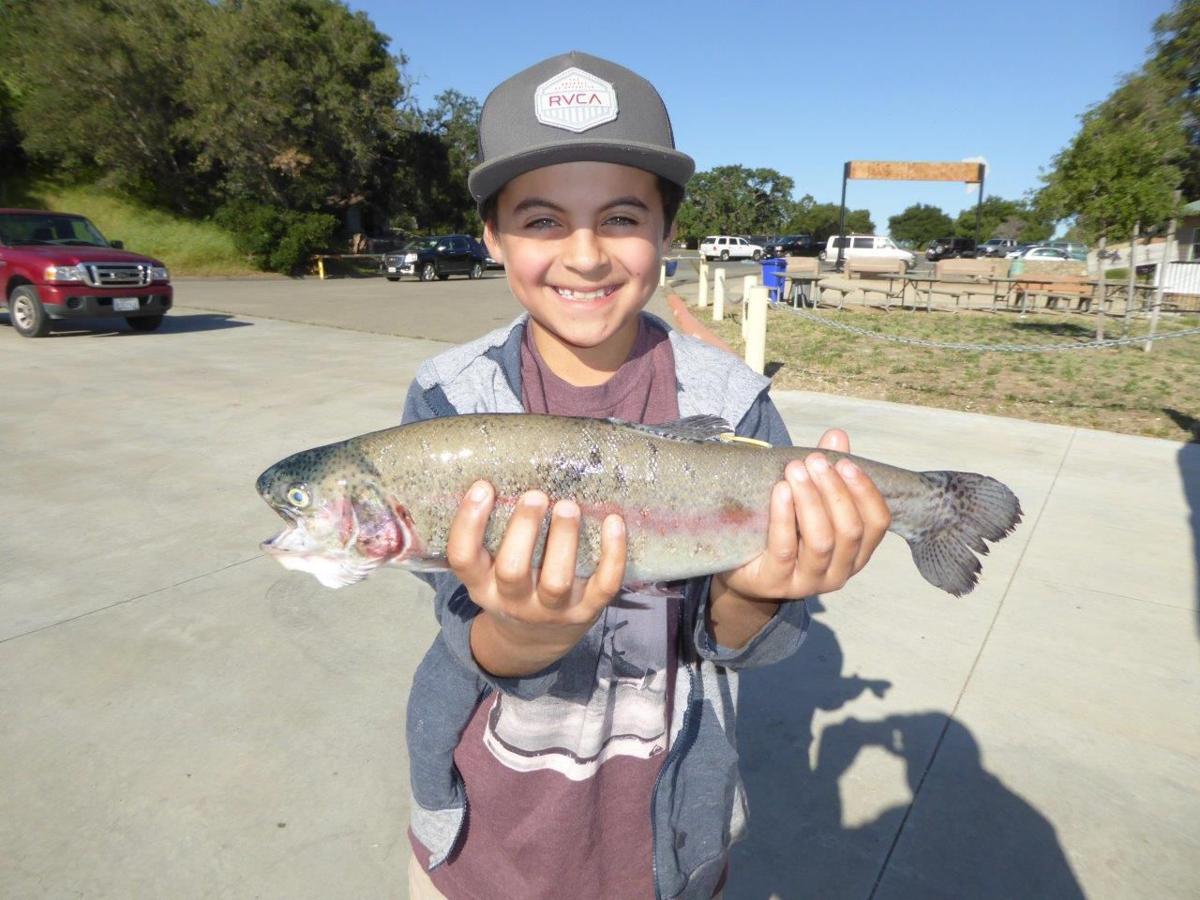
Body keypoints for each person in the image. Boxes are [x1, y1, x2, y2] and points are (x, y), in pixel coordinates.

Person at [401, 50, 892, 900]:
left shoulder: (732, 403)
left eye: (621, 217)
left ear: (667, 231)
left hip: (666, 850)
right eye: (542, 220)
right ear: (491, 236)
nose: (585, 255)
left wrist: (756, 593)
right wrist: (524, 633)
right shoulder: (448, 401)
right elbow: (458, 622)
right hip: (476, 845)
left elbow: (739, 641)